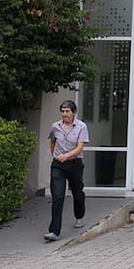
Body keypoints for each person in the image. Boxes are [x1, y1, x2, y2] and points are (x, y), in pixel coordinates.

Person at [44, 99, 89, 241]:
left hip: (74, 163)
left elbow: (80, 147)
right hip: (58, 165)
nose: (64, 114)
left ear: (73, 112)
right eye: (62, 111)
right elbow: (52, 142)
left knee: (77, 192)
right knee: (58, 195)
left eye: (67, 111)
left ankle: (79, 215)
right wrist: (55, 156)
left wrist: (67, 156)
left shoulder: (81, 127)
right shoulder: (55, 126)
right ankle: (54, 231)